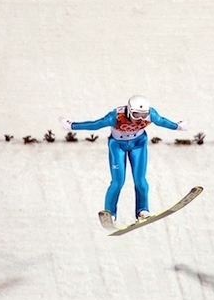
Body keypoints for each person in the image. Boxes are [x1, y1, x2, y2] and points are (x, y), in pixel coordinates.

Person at [60, 95, 187, 225]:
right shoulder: (115, 117)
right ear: (130, 110)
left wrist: (177, 126)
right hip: (117, 145)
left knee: (140, 181)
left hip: (138, 144)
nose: (141, 119)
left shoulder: (151, 115)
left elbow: (162, 121)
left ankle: (142, 211)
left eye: (144, 115)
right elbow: (95, 125)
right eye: (137, 114)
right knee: (118, 182)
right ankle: (110, 213)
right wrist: (72, 126)